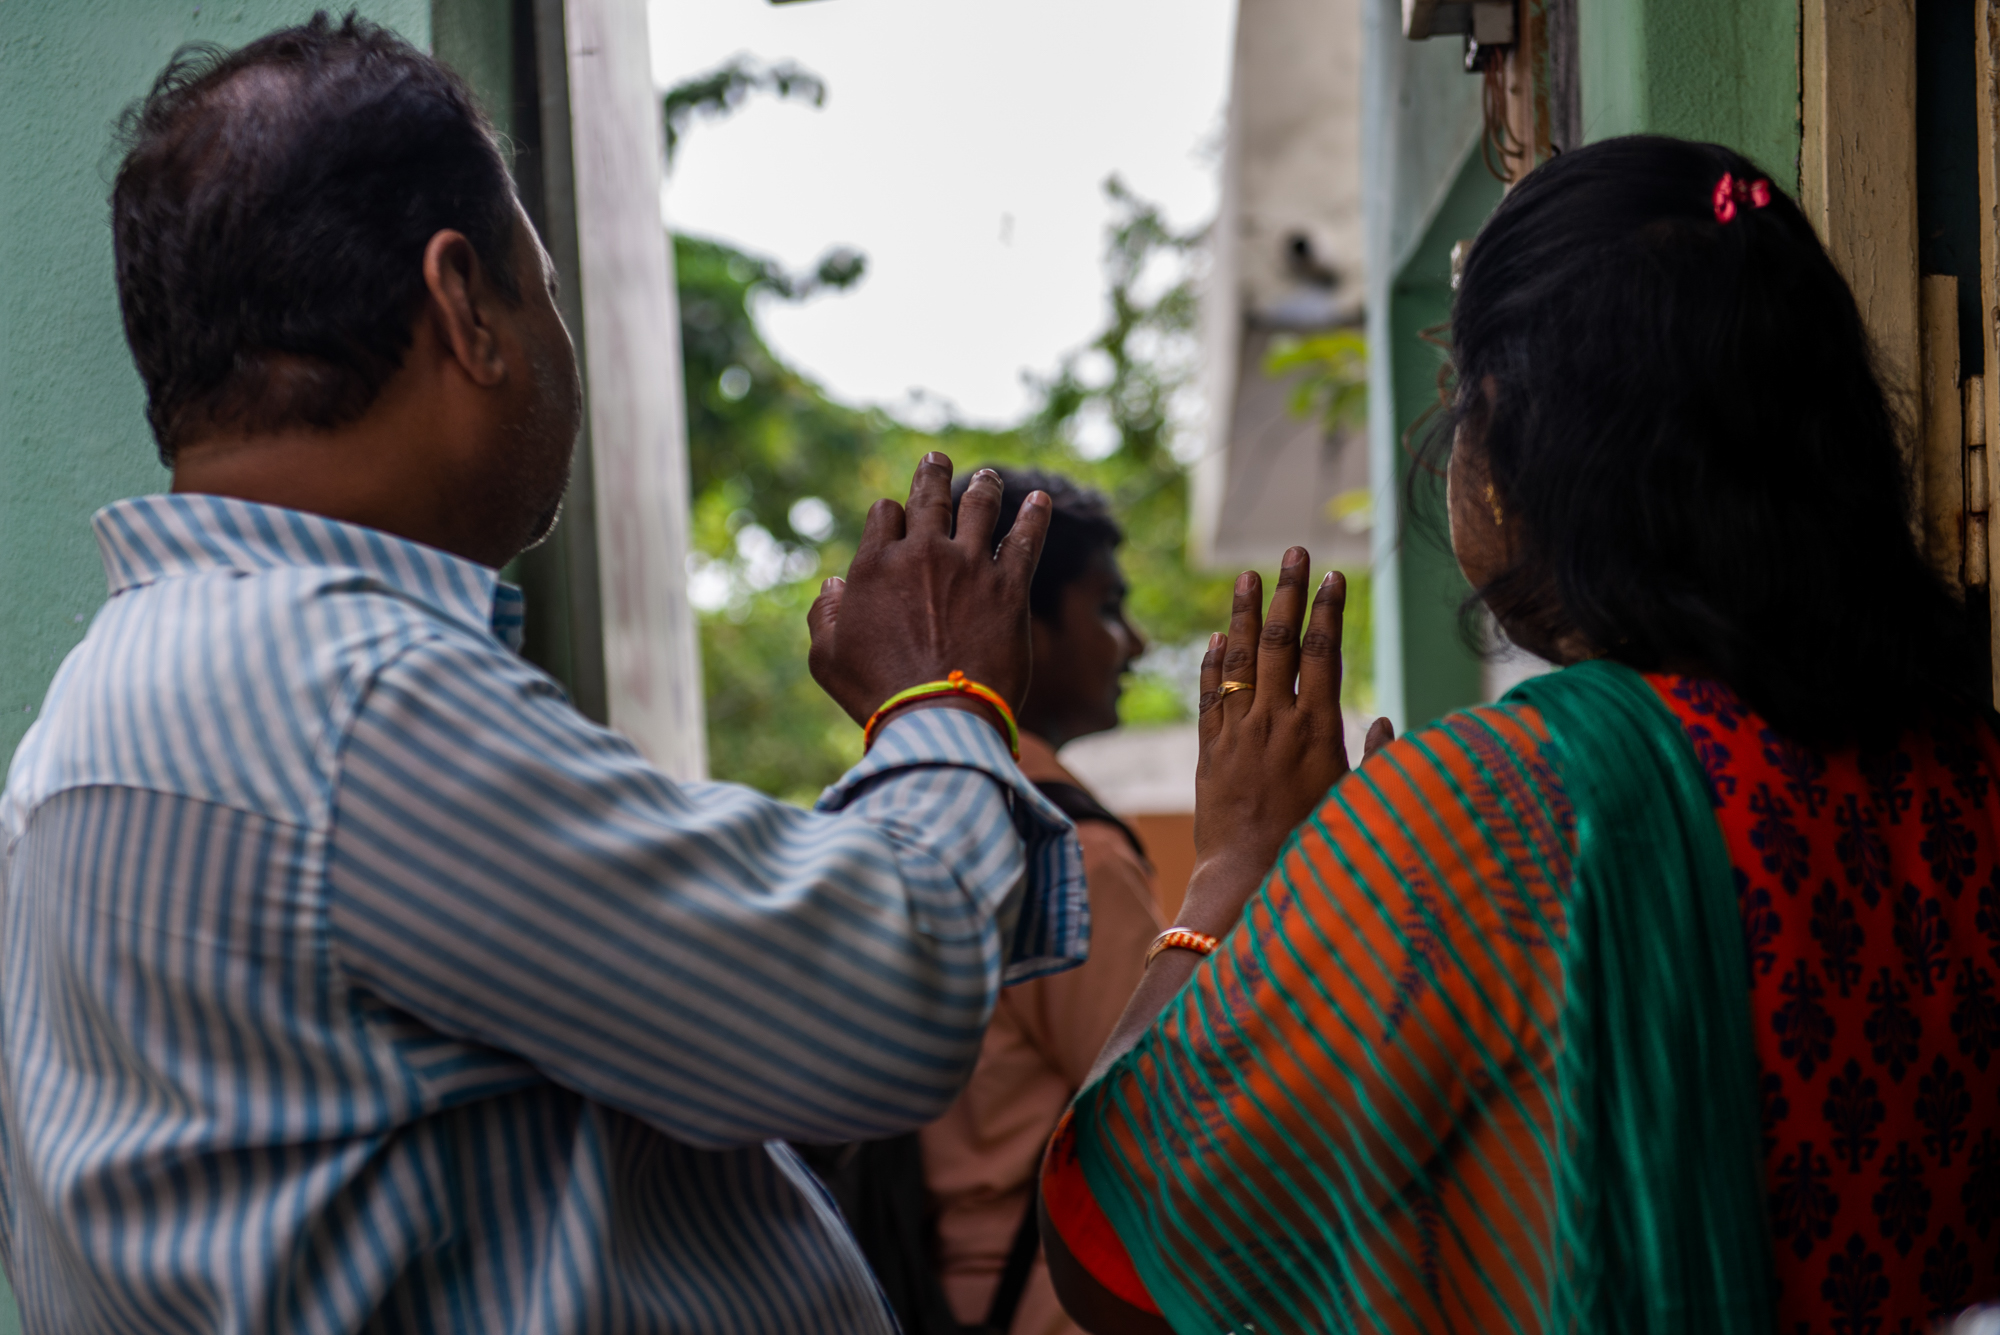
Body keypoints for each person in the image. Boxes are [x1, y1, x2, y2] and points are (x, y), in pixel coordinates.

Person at [0, 16, 1108, 1332]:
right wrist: (944, 700)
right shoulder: (351, 699)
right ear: (465, 305)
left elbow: (691, 981)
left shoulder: (86, 721)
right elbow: (876, 997)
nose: (554, 335)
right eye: (544, 286)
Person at [1040, 136, 2000, 1333]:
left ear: (1517, 437)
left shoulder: (1494, 814)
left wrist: (1237, 868)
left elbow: (1114, 1252)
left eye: (1457, 396)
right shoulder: (1970, 772)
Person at [918, 470, 1164, 1335]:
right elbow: (1173, 1121)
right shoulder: (1072, 849)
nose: (1130, 642)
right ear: (1018, 623)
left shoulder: (898, 822)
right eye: (1105, 608)